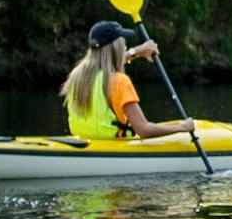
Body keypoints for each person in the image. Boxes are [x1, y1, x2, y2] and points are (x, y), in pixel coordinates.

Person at [61, 20, 196, 141]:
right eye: (122, 43)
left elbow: (106, 61)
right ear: (115, 47)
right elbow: (144, 130)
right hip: (115, 146)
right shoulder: (120, 82)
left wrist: (139, 51)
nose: (125, 47)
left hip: (86, 142)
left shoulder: (77, 75)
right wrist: (181, 127)